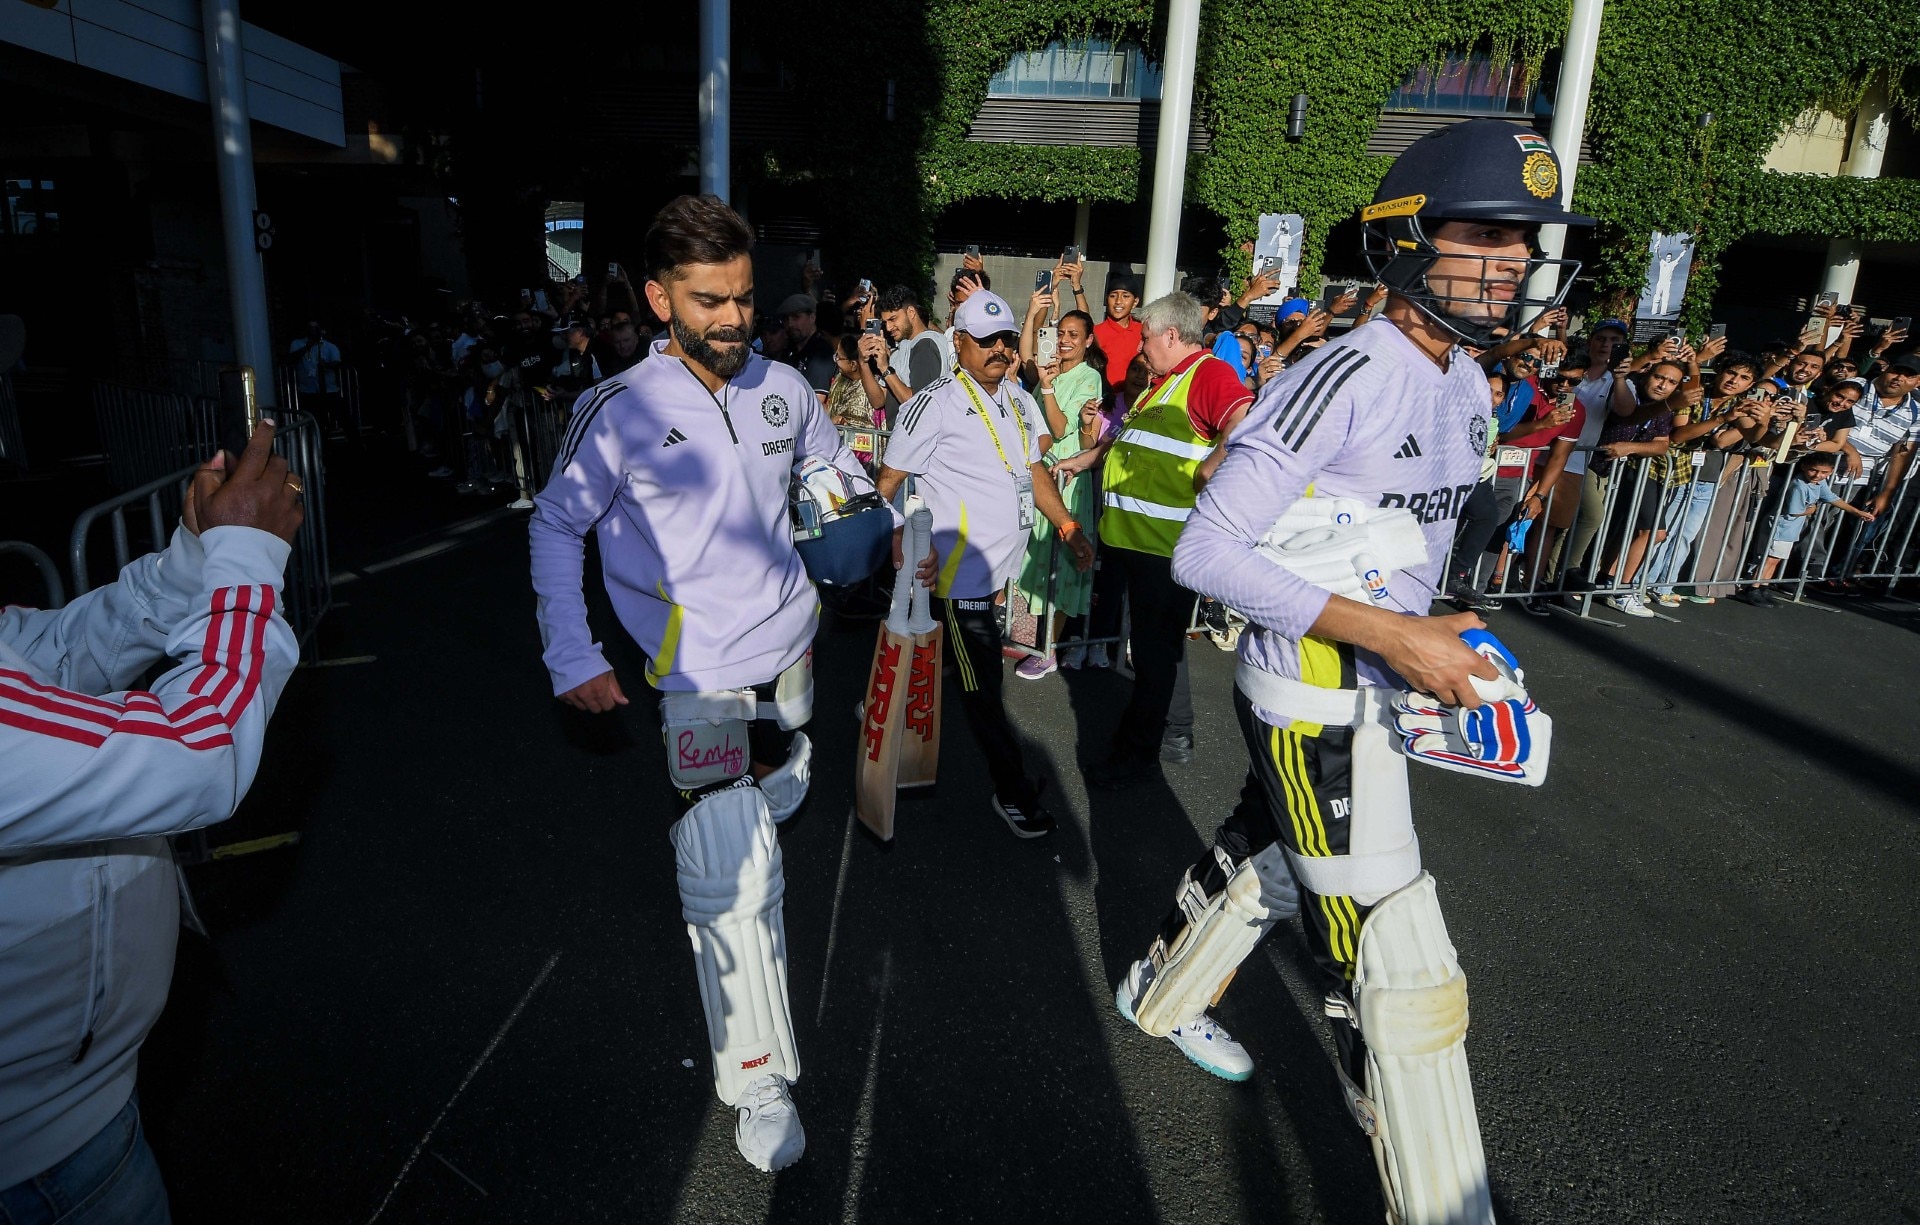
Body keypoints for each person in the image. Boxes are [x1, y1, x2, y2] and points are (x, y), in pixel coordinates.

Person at [1112, 118, 1583, 1225]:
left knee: (1268, 862)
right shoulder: (1344, 373)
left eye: (1526, 242)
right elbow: (1204, 552)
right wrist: (1392, 634)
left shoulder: (1468, 384)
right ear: (1408, 239)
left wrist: (1433, 621)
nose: (1513, 262)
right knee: (1390, 954)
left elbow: (1392, 545)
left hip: (1375, 689)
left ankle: (1160, 990)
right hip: (1309, 696)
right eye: (1487, 233)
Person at [528, 195, 896, 1174]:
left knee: (777, 780)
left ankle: (770, 778)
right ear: (659, 299)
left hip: (790, 653)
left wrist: (860, 510)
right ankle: (758, 1077)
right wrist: (572, 653)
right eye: (710, 301)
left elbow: (829, 473)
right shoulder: (615, 412)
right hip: (693, 677)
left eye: (743, 298)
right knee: (734, 877)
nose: (735, 319)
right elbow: (555, 526)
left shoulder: (785, 387)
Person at [1, 419, 303, 1223]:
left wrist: (192, 559)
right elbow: (200, 749)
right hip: (44, 1166)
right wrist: (244, 563)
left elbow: (50, 657)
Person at [873, 290, 1093, 837]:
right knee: (984, 690)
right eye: (986, 340)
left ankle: (886, 711)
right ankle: (1013, 792)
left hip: (999, 574)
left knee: (940, 664)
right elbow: (889, 481)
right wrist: (897, 532)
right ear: (959, 342)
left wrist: (1066, 525)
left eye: (1005, 338)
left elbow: (1033, 471)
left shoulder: (1017, 399)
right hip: (956, 577)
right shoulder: (935, 403)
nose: (999, 349)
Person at [1080, 291, 1253, 788]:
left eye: (1147, 338)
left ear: (1172, 335)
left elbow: (1248, 428)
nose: (1141, 349)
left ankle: (1136, 756)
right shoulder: (1168, 382)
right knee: (1155, 653)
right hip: (1143, 545)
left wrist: (1210, 470)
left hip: (1166, 549)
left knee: (1154, 659)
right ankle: (1166, 736)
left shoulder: (1209, 375)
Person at [1014, 306, 1106, 678]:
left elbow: (1061, 425)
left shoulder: (1089, 378)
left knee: (1065, 566)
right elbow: (1025, 357)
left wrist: (1048, 386)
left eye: (1073, 335)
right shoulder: (1045, 374)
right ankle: (1034, 637)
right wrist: (1034, 313)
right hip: (1040, 480)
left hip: (1067, 484)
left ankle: (1049, 649)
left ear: (1087, 341)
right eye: (1060, 333)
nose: (1065, 341)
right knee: (1036, 560)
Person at [1737, 451, 1875, 605]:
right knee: (1768, 560)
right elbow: (1795, 511)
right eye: (1813, 470)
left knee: (1775, 561)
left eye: (1824, 472)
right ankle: (1753, 588)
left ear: (1831, 472)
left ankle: (1763, 587)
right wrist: (1812, 509)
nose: (1817, 475)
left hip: (1790, 530)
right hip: (1781, 527)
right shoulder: (1798, 485)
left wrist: (1856, 512)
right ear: (1804, 467)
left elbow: (1831, 497)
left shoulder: (1818, 483)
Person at [858, 284, 945, 414]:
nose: (888, 328)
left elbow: (919, 404)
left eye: (893, 319)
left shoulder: (926, 345)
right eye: (885, 322)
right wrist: (863, 362)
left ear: (911, 312)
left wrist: (885, 368)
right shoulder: (903, 346)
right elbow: (878, 401)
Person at [775, 293, 838, 401]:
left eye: (796, 317)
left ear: (812, 317)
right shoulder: (790, 350)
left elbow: (817, 400)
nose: (790, 324)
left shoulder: (821, 352)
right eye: (786, 319)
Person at [288, 320, 344, 435]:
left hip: (329, 389)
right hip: (308, 391)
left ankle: (357, 445)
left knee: (342, 416)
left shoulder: (329, 346)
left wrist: (326, 365)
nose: (313, 331)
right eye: (310, 328)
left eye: (315, 328)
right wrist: (307, 347)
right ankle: (320, 447)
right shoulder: (297, 344)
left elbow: (338, 364)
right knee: (314, 422)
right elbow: (291, 359)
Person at [1093, 273, 1143, 388]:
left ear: (1135, 302)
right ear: (1107, 300)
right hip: (1105, 399)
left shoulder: (1143, 331)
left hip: (1136, 398)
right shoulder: (1096, 332)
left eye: (1125, 296)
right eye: (1113, 296)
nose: (1118, 301)